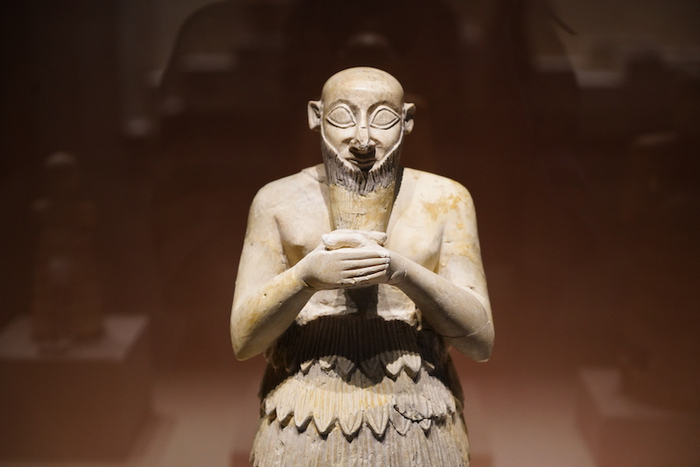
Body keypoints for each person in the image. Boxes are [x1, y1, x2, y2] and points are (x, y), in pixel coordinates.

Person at [231, 67, 493, 466]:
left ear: (407, 121)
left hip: (417, 408)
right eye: (342, 117)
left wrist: (401, 271)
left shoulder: (446, 200)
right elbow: (244, 340)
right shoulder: (277, 202)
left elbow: (480, 341)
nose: (363, 139)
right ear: (316, 116)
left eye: (383, 119)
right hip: (303, 410)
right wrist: (305, 278)